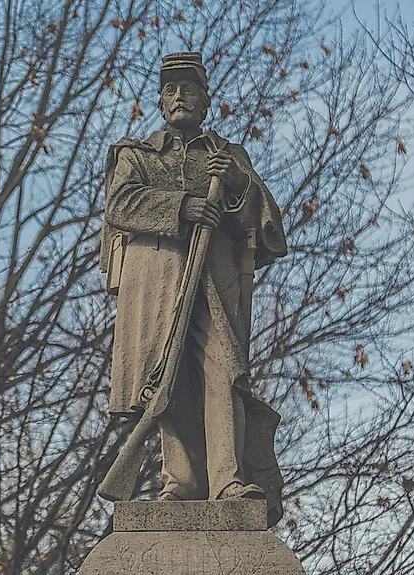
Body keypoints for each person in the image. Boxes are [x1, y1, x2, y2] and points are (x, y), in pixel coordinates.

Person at [100, 52, 288, 526]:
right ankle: (179, 482)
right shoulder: (137, 155)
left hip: (214, 281)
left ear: (206, 100)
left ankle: (227, 477)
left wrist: (237, 185)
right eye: (170, 89)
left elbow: (267, 224)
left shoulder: (227, 156)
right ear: (161, 101)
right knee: (167, 381)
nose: (179, 95)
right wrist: (182, 206)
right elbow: (120, 205)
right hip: (158, 286)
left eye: (189, 88)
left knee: (223, 368)